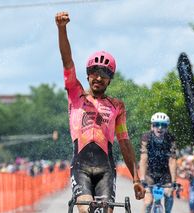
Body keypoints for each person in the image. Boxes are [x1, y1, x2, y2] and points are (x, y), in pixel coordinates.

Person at [55, 11, 145, 213]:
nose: (98, 78)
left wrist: (136, 179)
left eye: (104, 75)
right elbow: (67, 60)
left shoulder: (117, 106)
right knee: (87, 210)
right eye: (94, 73)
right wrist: (62, 29)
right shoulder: (75, 95)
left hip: (106, 169)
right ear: (87, 76)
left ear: (110, 79)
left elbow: (124, 142)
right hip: (81, 168)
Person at [139, 112, 177, 213]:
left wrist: (173, 181)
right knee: (148, 202)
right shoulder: (146, 137)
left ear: (167, 127)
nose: (160, 128)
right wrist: (142, 179)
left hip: (165, 174)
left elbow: (172, 160)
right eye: (156, 125)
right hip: (150, 174)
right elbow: (143, 159)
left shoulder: (170, 138)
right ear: (152, 126)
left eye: (163, 125)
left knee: (169, 194)